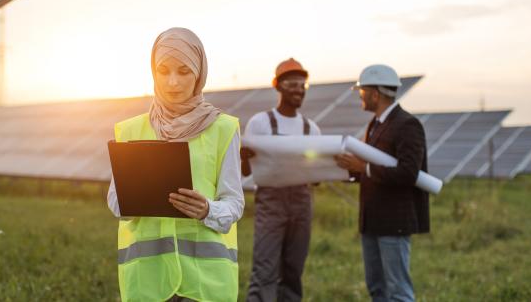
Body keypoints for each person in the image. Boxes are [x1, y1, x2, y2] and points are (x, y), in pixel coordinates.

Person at [107, 27, 245, 302]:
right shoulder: (131, 130)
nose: (172, 82)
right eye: (163, 70)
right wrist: (135, 198)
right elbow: (114, 201)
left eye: (184, 71)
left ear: (200, 73)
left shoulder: (223, 128)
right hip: (148, 282)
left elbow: (234, 202)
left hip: (205, 282)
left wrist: (208, 209)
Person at [334, 64, 430, 302]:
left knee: (398, 291)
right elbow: (372, 169)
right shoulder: (375, 125)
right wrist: (351, 169)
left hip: (393, 222)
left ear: (375, 94)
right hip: (372, 221)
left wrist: (363, 168)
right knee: (377, 289)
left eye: (362, 91)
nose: (360, 96)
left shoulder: (408, 125)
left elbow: (409, 173)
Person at [244, 58, 321, 302]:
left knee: (293, 272)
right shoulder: (260, 123)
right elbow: (246, 170)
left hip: (302, 203)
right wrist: (243, 156)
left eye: (302, 85)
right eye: (292, 84)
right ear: (277, 86)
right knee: (265, 271)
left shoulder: (312, 129)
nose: (299, 89)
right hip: (271, 202)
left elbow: (316, 177)